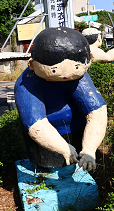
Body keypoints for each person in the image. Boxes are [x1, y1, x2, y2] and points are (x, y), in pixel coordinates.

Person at [15, 27, 107, 171]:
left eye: (76, 68)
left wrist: (89, 149)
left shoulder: (78, 76)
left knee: (77, 164)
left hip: (76, 129)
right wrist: (63, 148)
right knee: (47, 166)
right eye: (54, 71)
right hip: (45, 138)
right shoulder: (26, 83)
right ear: (32, 65)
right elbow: (35, 124)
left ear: (90, 61)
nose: (65, 76)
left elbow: (97, 111)